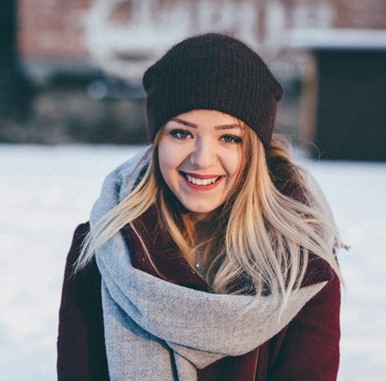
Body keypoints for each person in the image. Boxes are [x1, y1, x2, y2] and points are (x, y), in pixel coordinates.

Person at [57, 33, 343, 381]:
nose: (202, 159)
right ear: (157, 139)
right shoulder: (102, 248)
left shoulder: (301, 263)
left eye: (229, 137)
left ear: (253, 151)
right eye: (181, 133)